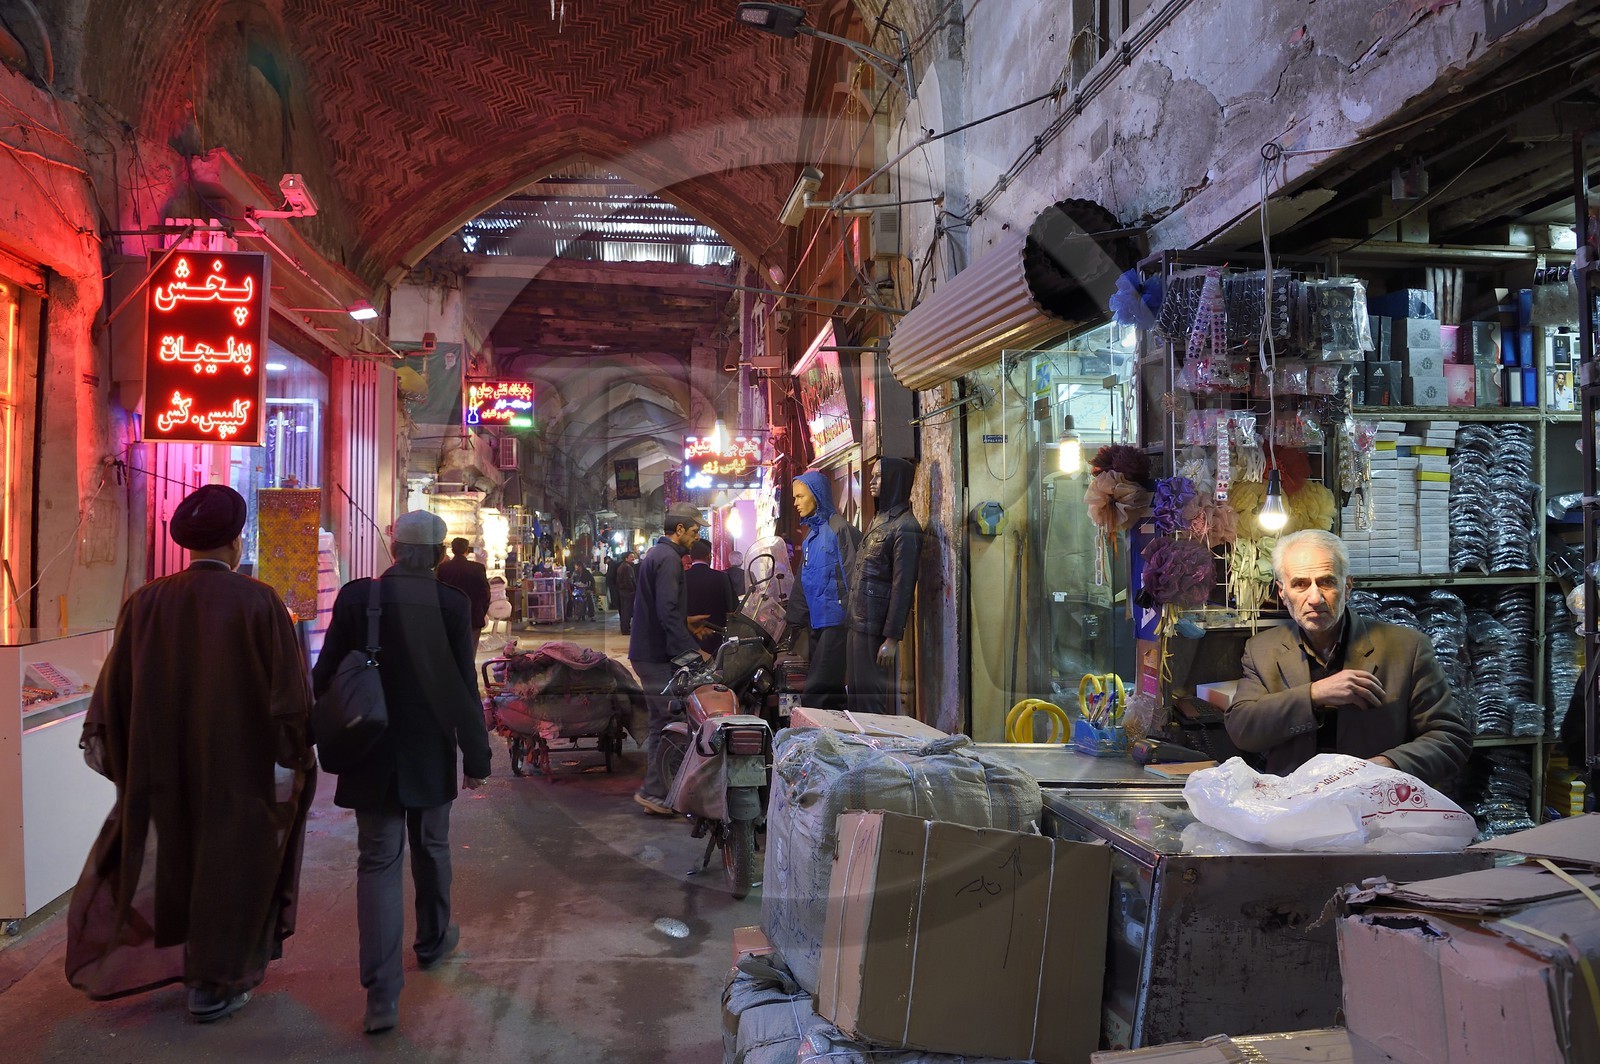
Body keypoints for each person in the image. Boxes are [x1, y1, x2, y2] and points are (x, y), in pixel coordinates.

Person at [65, 484, 316, 1024]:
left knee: (178, 860)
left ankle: (189, 967)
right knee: (231, 867)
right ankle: (213, 982)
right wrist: (293, 761)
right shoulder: (260, 601)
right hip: (238, 770)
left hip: (164, 770)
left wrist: (135, 765)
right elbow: (289, 702)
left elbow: (114, 699)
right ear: (236, 541)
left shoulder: (145, 602)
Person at [312, 510, 493, 1035]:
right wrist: (476, 758)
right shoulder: (451, 604)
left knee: (377, 862)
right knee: (432, 847)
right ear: (437, 554)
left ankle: (381, 996)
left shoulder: (357, 598)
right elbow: (462, 686)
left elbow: (325, 676)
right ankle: (433, 941)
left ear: (394, 551)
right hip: (429, 748)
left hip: (370, 749)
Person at [1224, 529, 1472, 788]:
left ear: (1348, 587)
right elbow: (1242, 730)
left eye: (1326, 582)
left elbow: (1450, 739)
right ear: (1282, 593)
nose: (1315, 598)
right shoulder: (1263, 649)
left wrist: (1383, 767)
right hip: (1293, 803)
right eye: (1300, 584)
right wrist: (1315, 695)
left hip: (1375, 801)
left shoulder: (1406, 648)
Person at [628, 503, 711, 815]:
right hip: (654, 656)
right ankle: (655, 792)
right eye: (694, 531)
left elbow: (664, 611)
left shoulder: (659, 554)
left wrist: (686, 625)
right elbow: (667, 612)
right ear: (679, 530)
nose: (696, 537)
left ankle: (657, 792)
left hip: (647, 652)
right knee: (669, 722)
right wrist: (691, 653)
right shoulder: (669, 559)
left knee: (660, 723)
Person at [846, 457, 923, 715]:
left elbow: (903, 587)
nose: (872, 481)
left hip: (875, 626)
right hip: (858, 621)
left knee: (871, 702)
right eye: (873, 475)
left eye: (878, 476)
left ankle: (873, 741)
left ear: (893, 480)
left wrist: (891, 638)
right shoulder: (880, 519)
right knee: (856, 697)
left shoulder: (906, 527)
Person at [786, 471, 860, 712]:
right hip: (816, 623)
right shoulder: (811, 537)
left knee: (818, 692)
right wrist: (795, 620)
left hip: (837, 624)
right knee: (829, 691)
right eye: (794, 497)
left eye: (800, 496)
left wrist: (856, 621)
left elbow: (853, 576)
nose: (795, 503)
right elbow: (803, 581)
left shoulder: (839, 529)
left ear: (816, 495)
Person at [685, 538, 737, 655]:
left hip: (690, 637)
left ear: (691, 557)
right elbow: (733, 607)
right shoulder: (722, 577)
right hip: (716, 637)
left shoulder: (682, 578)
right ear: (709, 556)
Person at [436, 537, 490, 634]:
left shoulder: (443, 568)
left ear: (452, 550)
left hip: (449, 617)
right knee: (471, 642)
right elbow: (485, 593)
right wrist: (481, 612)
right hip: (473, 616)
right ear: (467, 550)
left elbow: (438, 592)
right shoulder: (478, 568)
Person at [615, 550, 638, 635]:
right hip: (627, 593)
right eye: (631, 557)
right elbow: (628, 581)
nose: (633, 558)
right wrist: (633, 590)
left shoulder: (623, 566)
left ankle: (625, 628)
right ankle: (625, 629)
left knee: (625, 611)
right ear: (626, 558)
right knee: (627, 611)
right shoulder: (626, 567)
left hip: (623, 592)